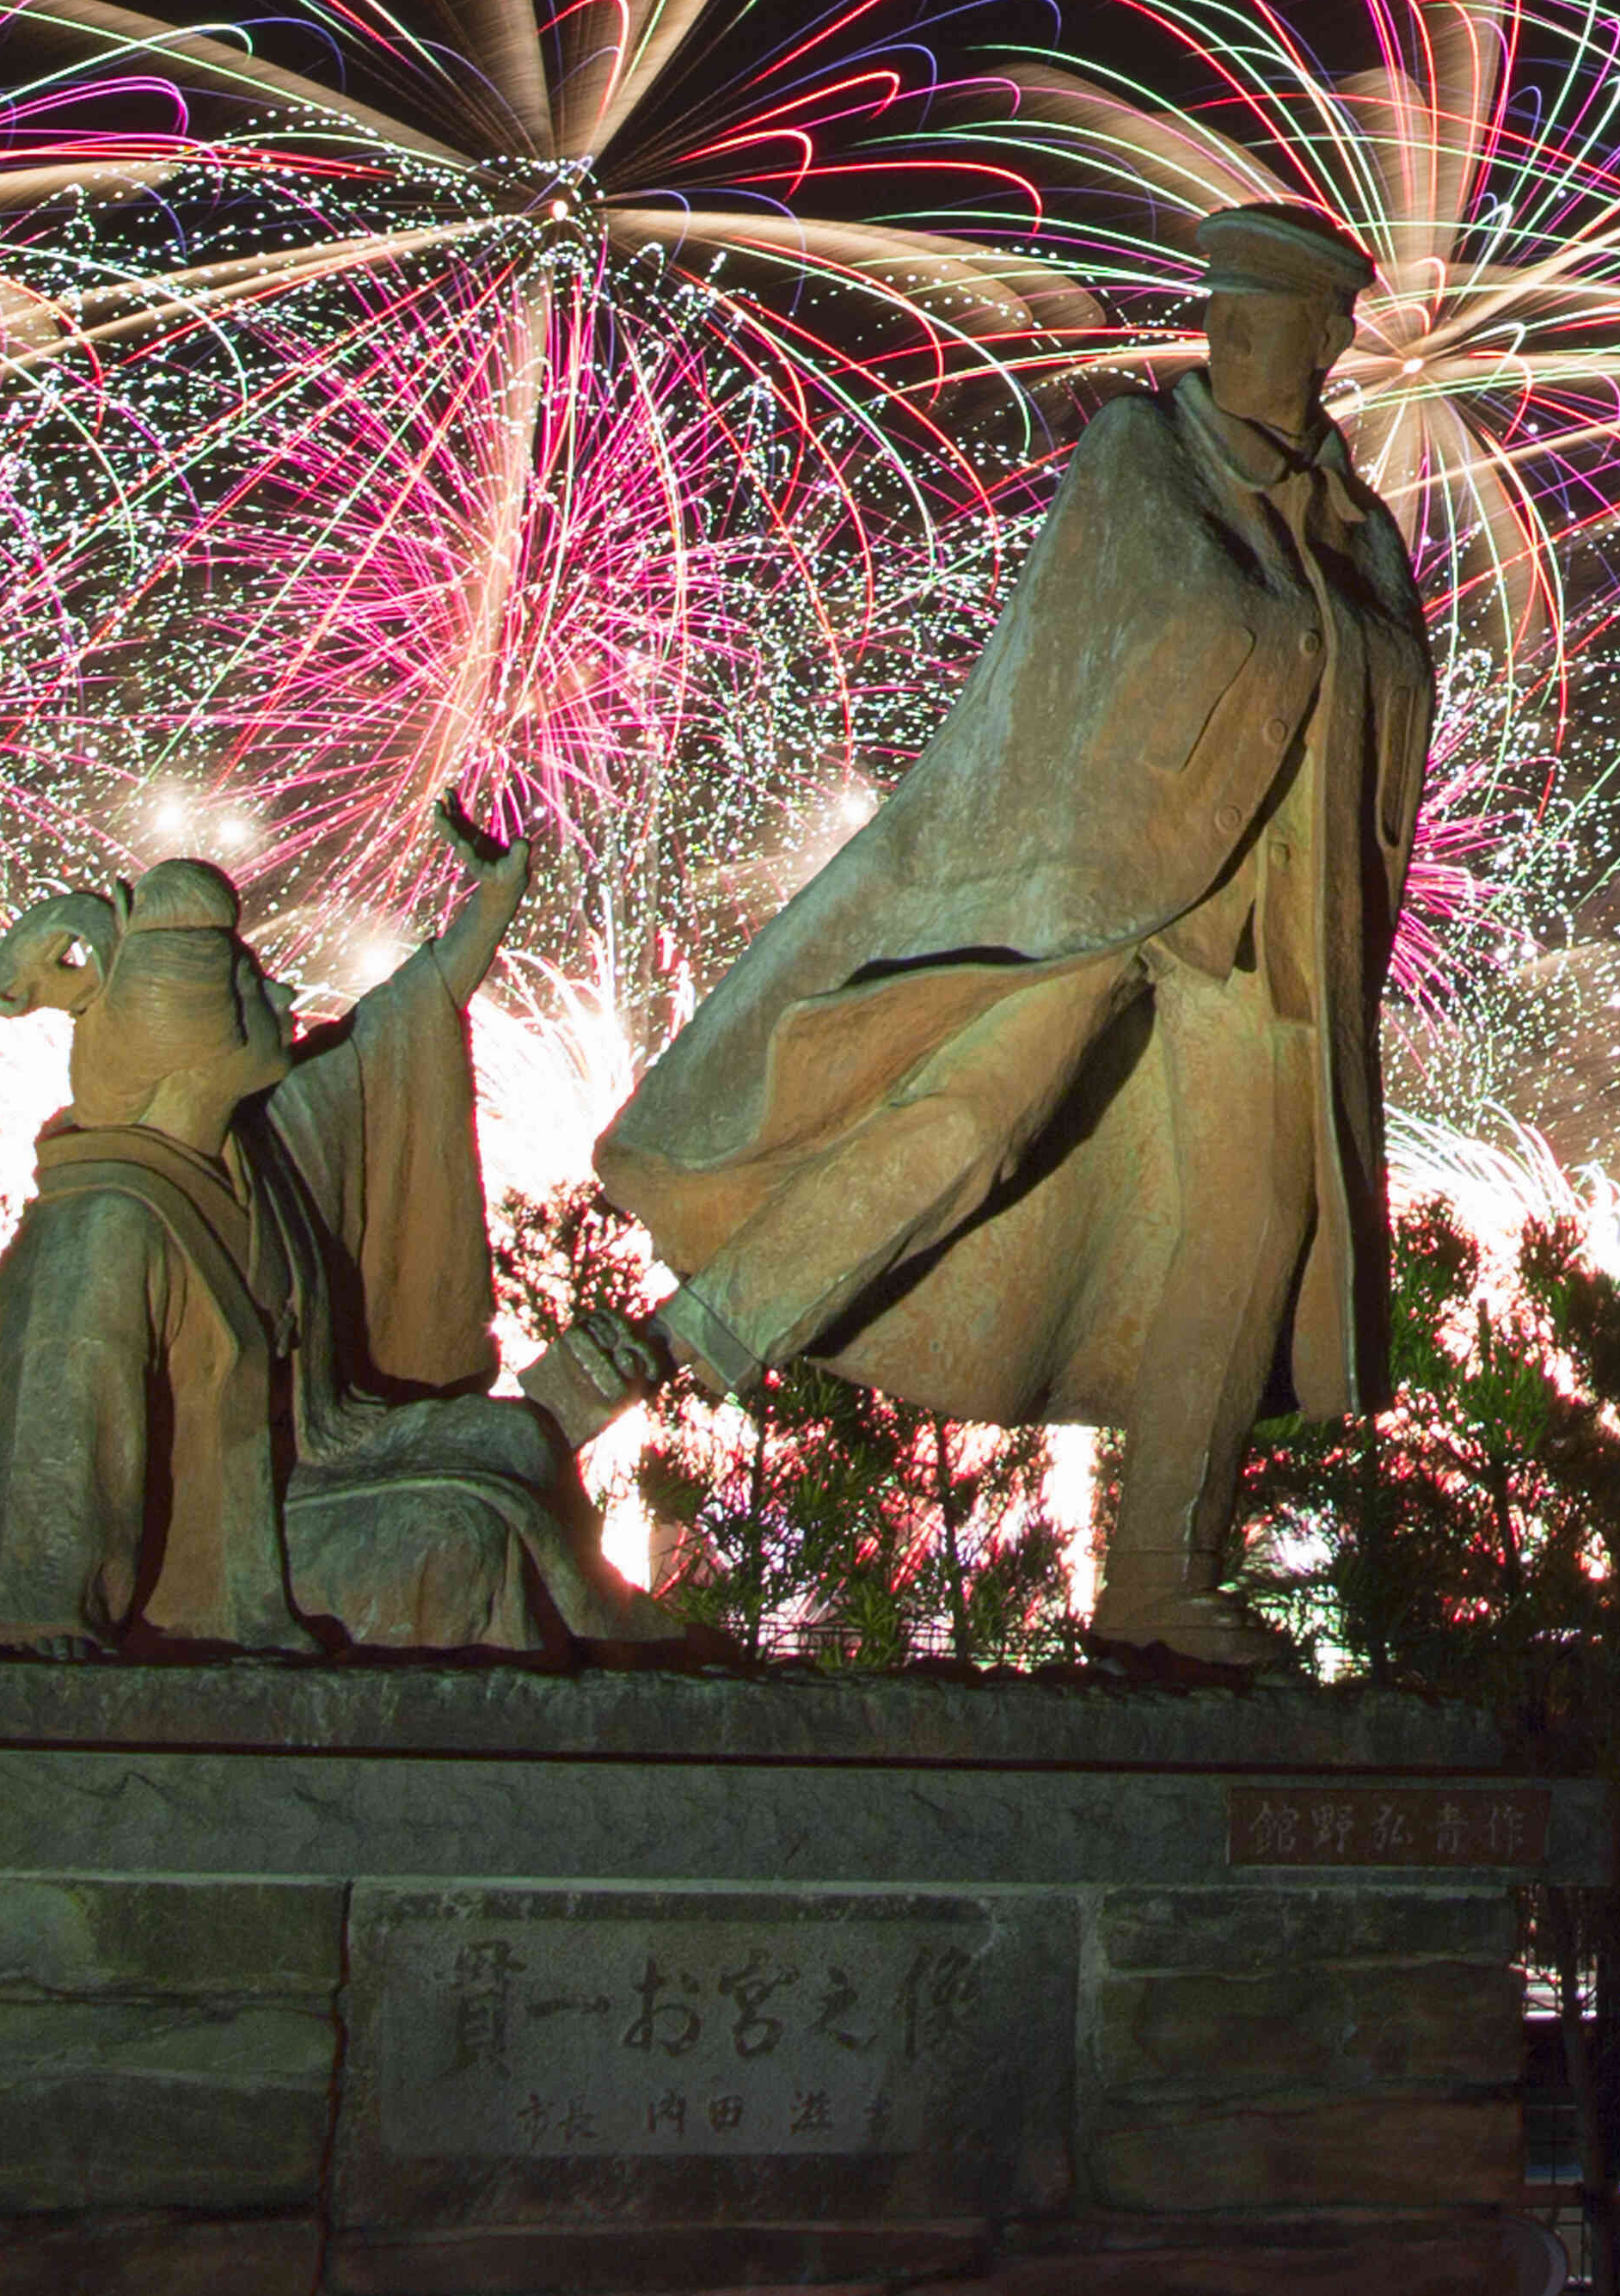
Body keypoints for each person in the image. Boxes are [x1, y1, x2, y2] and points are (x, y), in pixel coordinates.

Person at [594, 204, 1432, 1666]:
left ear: (1323, 340)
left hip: (1270, 947)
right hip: (1111, 901)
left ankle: (1164, 1575)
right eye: (1234, 315)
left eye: (1281, 323)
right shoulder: (1145, 464)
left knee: (1255, 1226)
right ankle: (662, 1352)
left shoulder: (1357, 526)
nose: (1253, 345)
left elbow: (1374, 685)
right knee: (961, 1124)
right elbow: (1133, 647)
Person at [0, 799, 668, 1660]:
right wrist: (43, 1609)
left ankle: (619, 1647)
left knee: (512, 1436)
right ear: (200, 1038)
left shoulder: (248, 1151)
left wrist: (489, 909)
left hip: (320, 1464)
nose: (283, 993)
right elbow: (56, 1440)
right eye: (251, 988)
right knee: (456, 1544)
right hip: (217, 1555)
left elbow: (388, 1038)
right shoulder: (104, 1225)